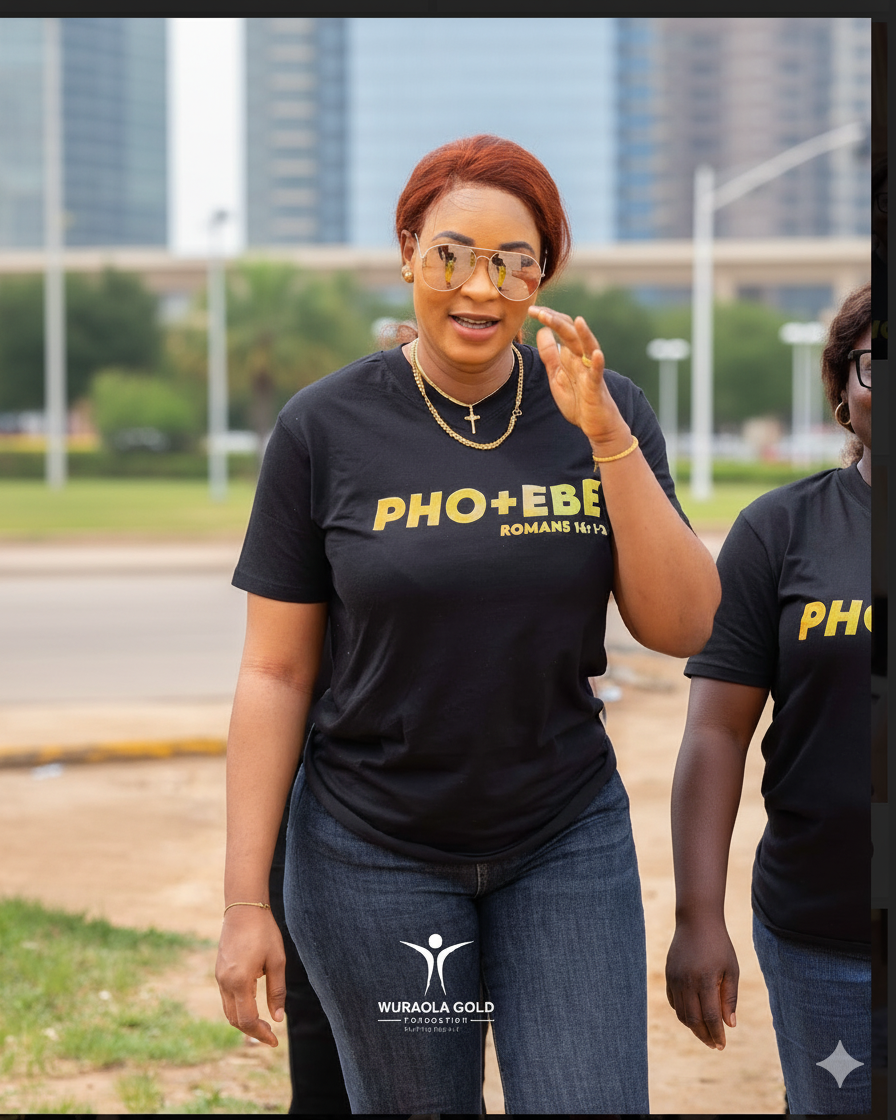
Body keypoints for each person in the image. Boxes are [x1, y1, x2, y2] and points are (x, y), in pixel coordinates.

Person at [215, 134, 720, 1115]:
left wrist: (606, 437)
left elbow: (686, 623)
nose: (479, 289)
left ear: (544, 276)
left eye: (513, 262)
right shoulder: (323, 428)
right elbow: (274, 673)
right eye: (451, 255)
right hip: (372, 850)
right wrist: (244, 903)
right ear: (409, 252)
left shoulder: (602, 407)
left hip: (563, 836)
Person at [665, 282, 872, 1115]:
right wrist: (697, 916)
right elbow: (716, 733)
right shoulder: (780, 530)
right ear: (843, 390)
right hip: (827, 938)